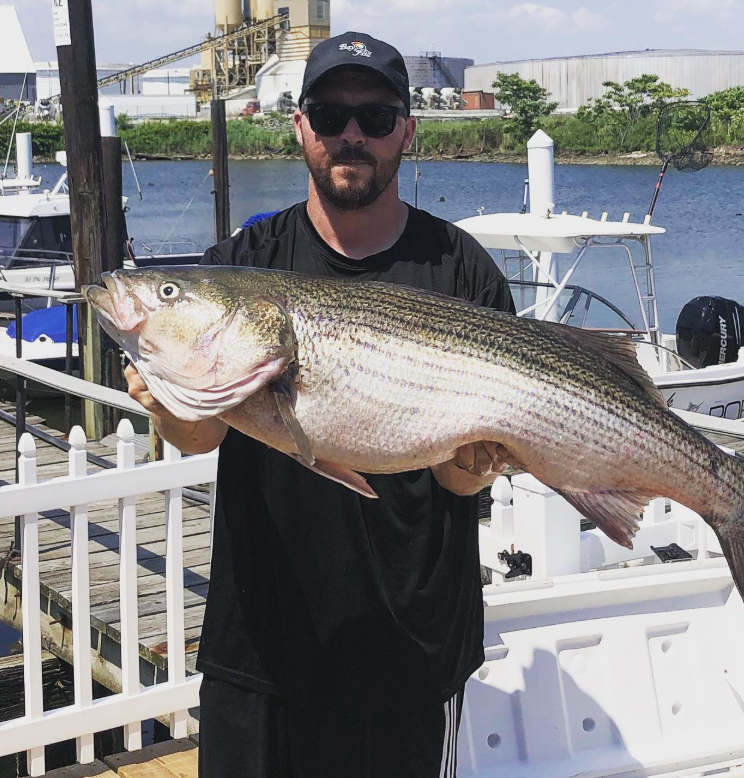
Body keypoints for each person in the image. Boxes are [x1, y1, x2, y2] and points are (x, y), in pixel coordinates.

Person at [126, 31, 517, 778]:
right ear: (299, 125)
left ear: (407, 129)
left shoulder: (460, 266)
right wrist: (165, 400)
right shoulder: (245, 263)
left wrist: (480, 463)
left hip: (412, 642)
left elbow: (458, 480)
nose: (350, 134)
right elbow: (198, 436)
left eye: (374, 118)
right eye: (330, 112)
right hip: (262, 639)